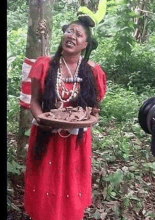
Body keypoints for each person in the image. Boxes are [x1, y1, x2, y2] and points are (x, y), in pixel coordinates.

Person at [24, 17, 106, 220]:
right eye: (69, 31)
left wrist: (88, 118)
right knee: (44, 183)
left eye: (78, 34)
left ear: (85, 45)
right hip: (46, 136)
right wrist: (44, 120)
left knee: (71, 185)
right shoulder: (44, 65)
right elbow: (34, 101)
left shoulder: (92, 71)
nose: (72, 36)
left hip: (75, 141)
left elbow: (94, 109)